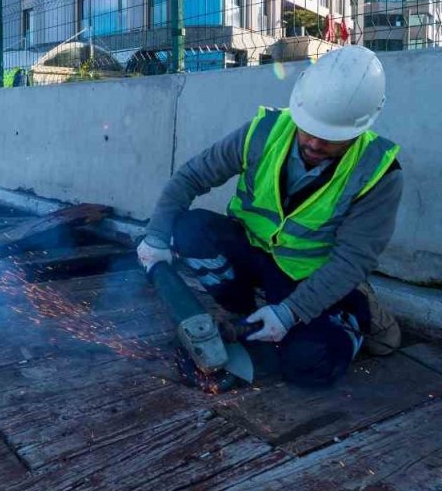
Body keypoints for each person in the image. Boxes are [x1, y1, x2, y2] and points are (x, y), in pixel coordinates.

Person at [137, 45, 403, 388]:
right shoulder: (263, 132)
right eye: (309, 128)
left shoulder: (378, 172)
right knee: (190, 230)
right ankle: (243, 310)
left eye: (332, 137)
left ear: (360, 128)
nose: (316, 143)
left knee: (308, 367)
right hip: (253, 249)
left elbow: (352, 259)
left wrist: (289, 312)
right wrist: (156, 238)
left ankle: (354, 314)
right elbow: (190, 177)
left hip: (308, 274)